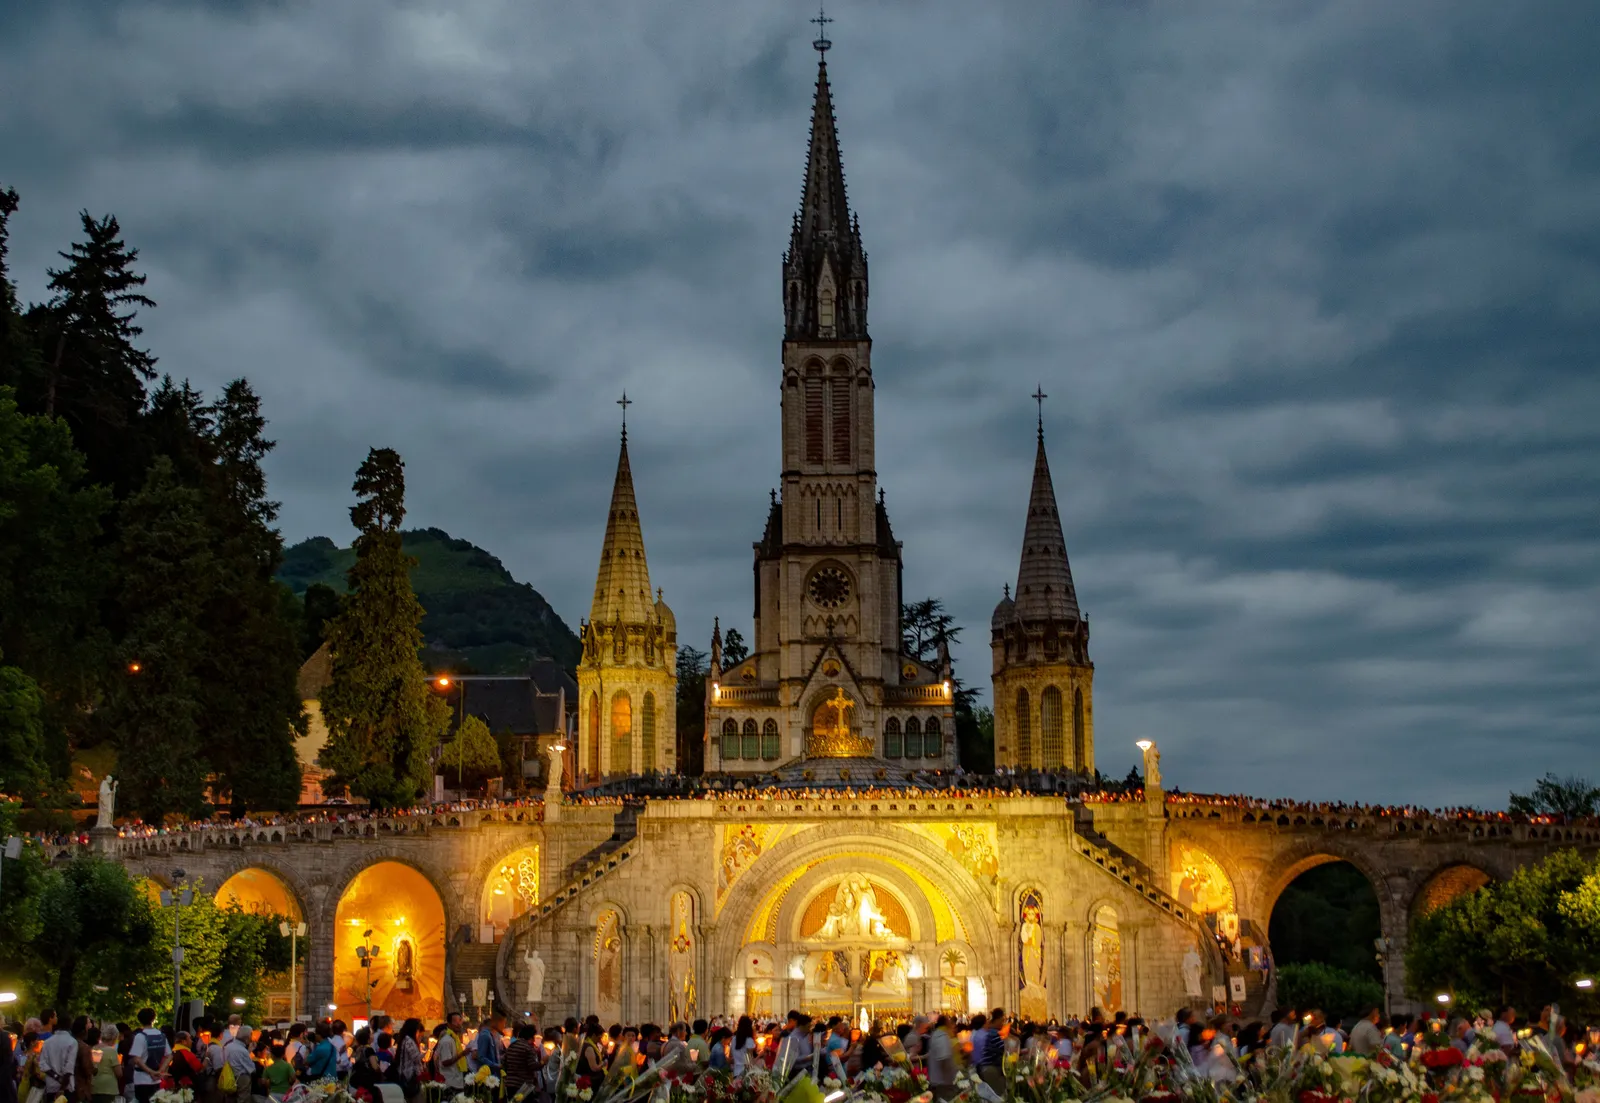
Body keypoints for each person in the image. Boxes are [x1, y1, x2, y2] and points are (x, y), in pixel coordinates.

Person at [127, 1011, 169, 1103]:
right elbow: (169, 1056)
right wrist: (159, 1071)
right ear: (153, 1019)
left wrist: (152, 1072)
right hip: (157, 1080)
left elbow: (136, 1059)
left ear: (139, 1021)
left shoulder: (140, 1036)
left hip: (141, 1079)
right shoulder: (161, 1036)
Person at [39, 1016, 81, 1102]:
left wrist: (56, 1077)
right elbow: (69, 1068)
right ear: (70, 1026)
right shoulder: (72, 1042)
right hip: (67, 1087)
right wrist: (62, 1087)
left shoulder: (47, 1042)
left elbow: (43, 1064)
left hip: (51, 1086)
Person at [502, 1025, 542, 1103]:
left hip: (510, 1084)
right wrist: (543, 1062)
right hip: (523, 1086)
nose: (534, 1040)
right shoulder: (528, 1048)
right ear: (530, 1037)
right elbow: (532, 1066)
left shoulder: (511, 1046)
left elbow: (504, 1062)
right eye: (534, 1037)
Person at [391, 1020, 424, 1103]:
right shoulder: (409, 1041)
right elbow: (416, 1057)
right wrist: (427, 1053)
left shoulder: (404, 1039)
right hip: (410, 1075)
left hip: (406, 1074)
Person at [925, 1016, 956, 1103]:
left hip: (939, 1080)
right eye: (949, 1021)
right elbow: (944, 1059)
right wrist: (950, 1077)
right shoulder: (941, 1036)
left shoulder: (936, 1034)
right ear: (946, 1023)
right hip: (943, 1082)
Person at [221, 1025, 255, 1103]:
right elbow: (252, 1069)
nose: (252, 1038)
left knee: (230, 1099)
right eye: (251, 1035)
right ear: (246, 1038)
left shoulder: (227, 1046)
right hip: (241, 1078)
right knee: (242, 1099)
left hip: (228, 1077)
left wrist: (249, 1051)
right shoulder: (242, 1050)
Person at [88, 1026, 121, 1103]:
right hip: (108, 1088)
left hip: (94, 1086)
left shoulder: (93, 1049)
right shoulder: (111, 1051)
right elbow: (119, 1073)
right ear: (114, 1037)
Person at [435, 1014, 467, 1093]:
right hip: (450, 1083)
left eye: (459, 1021)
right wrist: (461, 1054)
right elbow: (445, 1062)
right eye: (455, 1021)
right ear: (449, 1024)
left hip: (457, 1081)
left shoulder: (454, 1039)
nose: (458, 1024)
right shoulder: (447, 1040)